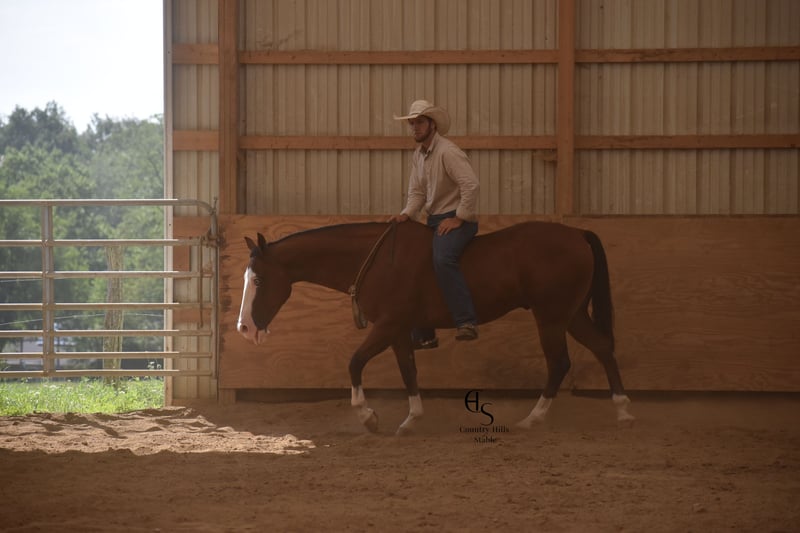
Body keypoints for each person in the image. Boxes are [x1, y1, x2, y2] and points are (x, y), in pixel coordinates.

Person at [390, 99, 480, 348]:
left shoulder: (447, 152)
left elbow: (471, 185)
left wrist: (459, 217)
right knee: (413, 264)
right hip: (434, 220)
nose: (414, 127)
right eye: (412, 123)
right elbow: (417, 192)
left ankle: (466, 321)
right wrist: (406, 214)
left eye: (419, 122)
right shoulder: (419, 155)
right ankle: (425, 333)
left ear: (432, 124)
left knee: (443, 259)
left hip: (456, 219)